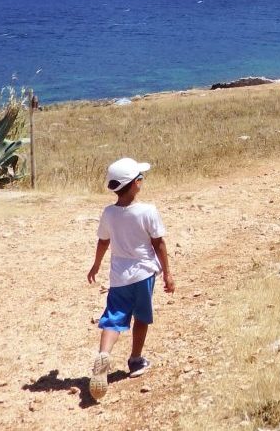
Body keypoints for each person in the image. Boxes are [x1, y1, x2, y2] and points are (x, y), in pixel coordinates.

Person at [86, 157, 175, 400]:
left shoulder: (109, 213)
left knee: (112, 318)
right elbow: (159, 243)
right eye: (141, 178)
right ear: (136, 184)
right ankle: (135, 360)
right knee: (142, 317)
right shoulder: (148, 211)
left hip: (119, 277)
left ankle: (104, 354)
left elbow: (103, 241)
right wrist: (168, 273)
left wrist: (95, 265)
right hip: (144, 274)